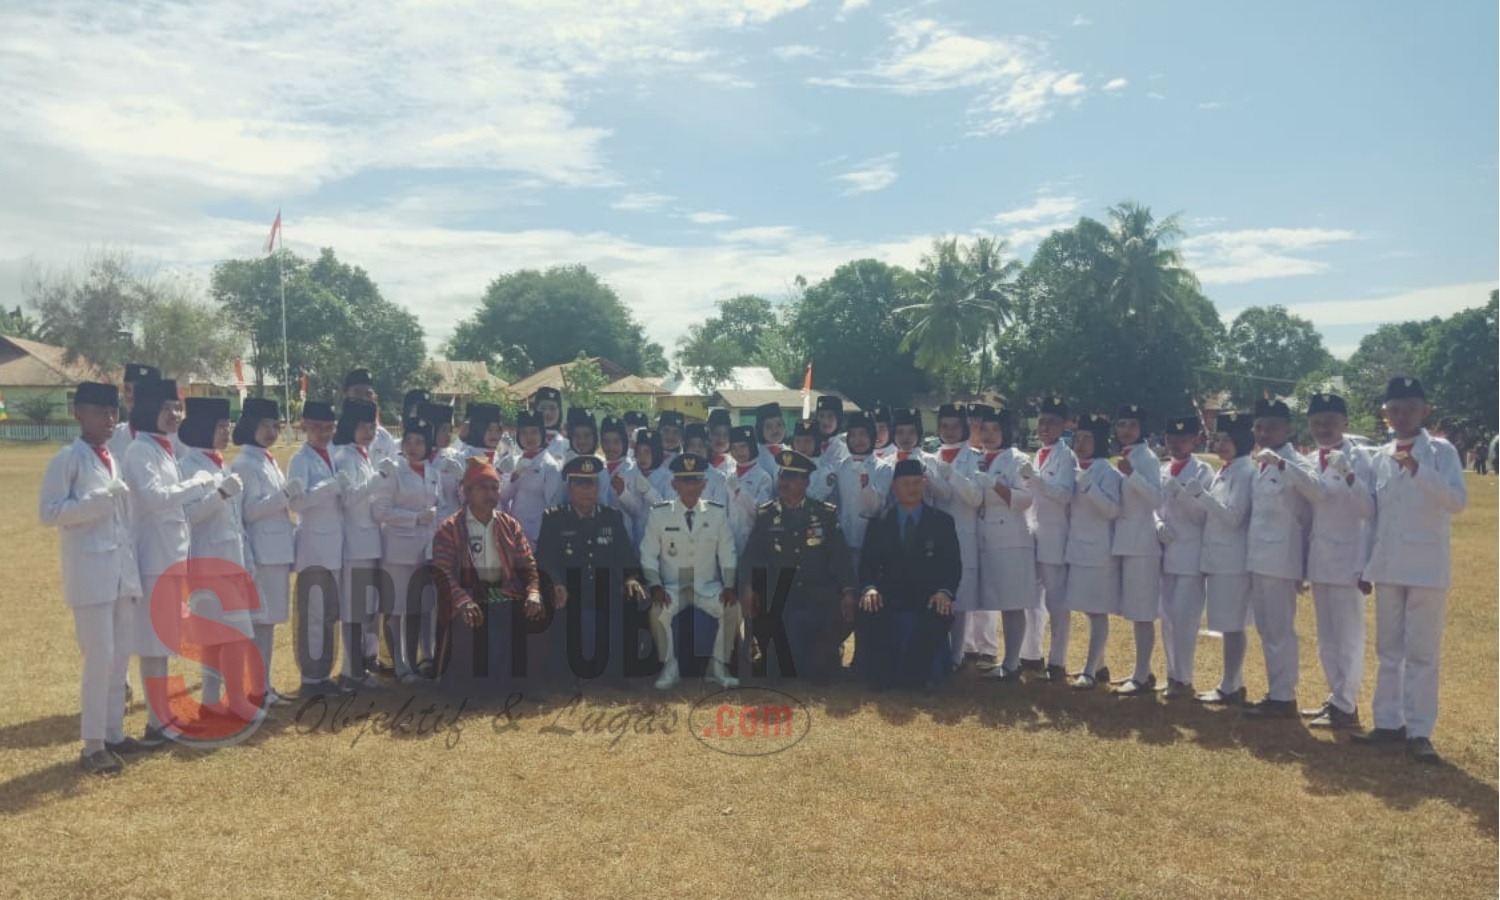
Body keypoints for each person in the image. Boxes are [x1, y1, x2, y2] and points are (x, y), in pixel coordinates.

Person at [1353, 377, 1467, 763]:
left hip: (1426, 567)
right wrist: (1364, 565)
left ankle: (1419, 730)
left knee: (1422, 653)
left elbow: (1456, 500)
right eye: (1394, 409)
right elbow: (1375, 516)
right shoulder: (1379, 455)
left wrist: (1420, 470)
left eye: (1409, 408)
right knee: (1388, 650)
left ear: (1425, 411)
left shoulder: (1441, 451)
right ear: (1386, 414)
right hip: (1387, 565)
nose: (1401, 416)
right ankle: (1388, 723)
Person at [39, 381, 142, 774]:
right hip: (90, 574)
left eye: (113, 412)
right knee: (99, 659)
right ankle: (92, 744)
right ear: (78, 412)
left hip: (118, 571)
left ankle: (114, 733)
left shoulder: (110, 458)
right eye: (101, 413)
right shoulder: (68, 459)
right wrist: (97, 502)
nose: (110, 419)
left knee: (118, 658)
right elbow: (48, 513)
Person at [121, 377, 220, 746]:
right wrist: (200, 484)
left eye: (177, 408)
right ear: (148, 410)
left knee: (163, 642)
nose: (175, 415)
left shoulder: (164, 448)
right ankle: (157, 722)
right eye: (167, 409)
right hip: (151, 558)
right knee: (152, 644)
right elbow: (154, 498)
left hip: (170, 556)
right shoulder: (139, 451)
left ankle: (162, 719)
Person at [1279, 393, 1374, 728]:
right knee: (1327, 638)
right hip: (1321, 557)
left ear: (1345, 422)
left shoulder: (1359, 457)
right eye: (1317, 422)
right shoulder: (1310, 458)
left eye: (1330, 421)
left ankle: (1346, 706)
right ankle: (1336, 699)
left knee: (1348, 637)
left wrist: (1347, 474)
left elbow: (1368, 509)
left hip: (1349, 558)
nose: (1323, 428)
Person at [431, 457, 546, 698]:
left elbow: (528, 565)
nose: (491, 493)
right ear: (467, 491)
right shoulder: (449, 528)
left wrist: (534, 592)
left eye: (495, 487)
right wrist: (463, 600)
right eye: (483, 487)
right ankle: (467, 686)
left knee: (534, 613)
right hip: (469, 597)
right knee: (470, 619)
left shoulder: (509, 525)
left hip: (505, 594)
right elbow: (441, 573)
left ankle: (523, 685)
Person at [176, 397, 259, 723]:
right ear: (203, 428)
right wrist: (220, 494)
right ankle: (236, 699)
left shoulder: (217, 463)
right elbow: (188, 517)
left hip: (229, 559)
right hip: (208, 561)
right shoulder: (189, 467)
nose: (227, 431)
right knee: (236, 635)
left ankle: (211, 700)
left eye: (227, 425)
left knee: (216, 636)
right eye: (221, 426)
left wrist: (245, 557)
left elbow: (235, 520)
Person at [740, 450, 856, 682]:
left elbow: (841, 557)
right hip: (782, 601)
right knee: (777, 671)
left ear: (806, 481)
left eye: (793, 478)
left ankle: (824, 653)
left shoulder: (824, 515)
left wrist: (848, 591)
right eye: (783, 477)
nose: (785, 483)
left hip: (817, 599)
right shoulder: (766, 515)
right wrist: (748, 587)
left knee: (819, 673)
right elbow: (751, 556)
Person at [535, 456, 649, 686]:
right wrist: (556, 583)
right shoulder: (555, 518)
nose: (588, 490)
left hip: (605, 587)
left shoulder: (612, 518)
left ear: (599, 487)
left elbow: (626, 557)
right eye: (581, 484)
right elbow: (544, 559)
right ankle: (562, 674)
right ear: (570, 487)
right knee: (555, 608)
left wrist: (630, 578)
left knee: (632, 600)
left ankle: (622, 672)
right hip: (569, 588)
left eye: (592, 484)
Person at [856, 458, 962, 693]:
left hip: (928, 597)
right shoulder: (880, 523)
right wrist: (870, 588)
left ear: (924, 484)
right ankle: (882, 675)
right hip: (890, 595)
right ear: (895, 486)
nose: (912, 489)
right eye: (906, 483)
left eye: (917, 483)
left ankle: (916, 676)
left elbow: (953, 565)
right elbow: (867, 566)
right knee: (867, 608)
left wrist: (944, 592)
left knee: (939, 613)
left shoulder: (942, 522)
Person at [1241, 397, 1315, 718]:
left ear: (1288, 428)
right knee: (1267, 629)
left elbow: (1312, 501)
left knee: (1280, 629)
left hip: (1282, 558)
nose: (1263, 432)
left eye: (1271, 427)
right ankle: (1276, 691)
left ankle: (1284, 696)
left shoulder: (1296, 463)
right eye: (1258, 426)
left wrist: (1305, 566)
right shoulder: (1259, 462)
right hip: (1259, 556)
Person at [640, 453, 740, 690]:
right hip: (673, 587)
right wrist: (655, 585)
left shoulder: (716, 514)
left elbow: (728, 553)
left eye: (696, 480)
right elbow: (648, 555)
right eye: (685, 481)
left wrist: (728, 585)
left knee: (733, 608)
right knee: (657, 610)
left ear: (704, 483)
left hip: (707, 587)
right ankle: (669, 667)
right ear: (675, 485)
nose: (691, 487)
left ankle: (717, 667)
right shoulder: (659, 514)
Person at [229, 396, 297, 707]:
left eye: (275, 425)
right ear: (249, 426)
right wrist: (284, 495)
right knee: (259, 624)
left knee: (267, 624)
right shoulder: (244, 462)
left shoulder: (266, 459)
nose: (271, 431)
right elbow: (249, 512)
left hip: (277, 549)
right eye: (264, 425)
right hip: (261, 550)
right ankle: (256, 688)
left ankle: (264, 685)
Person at [967, 405, 1038, 682]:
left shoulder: (1017, 458)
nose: (989, 435)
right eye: (984, 429)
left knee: (1012, 603)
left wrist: (996, 485)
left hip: (1011, 539)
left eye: (995, 429)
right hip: (986, 537)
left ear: (1006, 431)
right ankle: (999, 657)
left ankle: (1012, 663)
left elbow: (1025, 500)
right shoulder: (978, 458)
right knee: (997, 599)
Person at [1190, 412, 1256, 705]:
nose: (1221, 444)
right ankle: (1231, 682)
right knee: (1228, 623)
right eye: (1219, 439)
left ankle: (1231, 684)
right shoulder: (1227, 469)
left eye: (1228, 440)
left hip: (1233, 560)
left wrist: (1201, 496)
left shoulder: (1245, 471)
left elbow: (1233, 517)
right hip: (1219, 558)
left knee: (1232, 624)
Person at [373, 414, 441, 684]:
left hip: (425, 551)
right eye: (409, 440)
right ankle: (399, 665)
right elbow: (381, 510)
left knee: (418, 608)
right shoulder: (394, 471)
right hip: (398, 550)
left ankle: (414, 661)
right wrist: (414, 518)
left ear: (429, 445)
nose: (413, 447)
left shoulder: (433, 472)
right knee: (396, 608)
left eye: (419, 442)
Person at [287, 401, 345, 694]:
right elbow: (296, 503)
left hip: (335, 544)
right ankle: (311, 677)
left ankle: (324, 672)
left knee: (329, 613)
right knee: (313, 613)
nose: (323, 433)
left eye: (328, 427)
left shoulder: (335, 453)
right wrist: (328, 488)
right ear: (304, 426)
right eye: (317, 427)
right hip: (312, 545)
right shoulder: (301, 459)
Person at [1155, 415, 1215, 699]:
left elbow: (1203, 513)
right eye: (1171, 438)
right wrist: (1156, 524)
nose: (1176, 443)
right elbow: (1153, 506)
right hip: (1164, 550)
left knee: (1186, 619)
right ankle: (1172, 674)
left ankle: (1185, 678)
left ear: (1195, 440)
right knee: (1166, 617)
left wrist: (1180, 492)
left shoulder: (1203, 471)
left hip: (1190, 550)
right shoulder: (1162, 469)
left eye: (1183, 438)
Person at [332, 398, 387, 689]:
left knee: (366, 608)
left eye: (372, 425)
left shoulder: (363, 455)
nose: (369, 431)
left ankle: (360, 665)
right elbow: (349, 497)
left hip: (369, 541)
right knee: (353, 611)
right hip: (354, 544)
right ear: (350, 427)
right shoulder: (344, 457)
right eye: (363, 426)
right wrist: (379, 479)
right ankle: (350, 671)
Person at [1111, 404, 1164, 697]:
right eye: (1122, 425)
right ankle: (1141, 671)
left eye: (1132, 424)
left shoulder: (1147, 458)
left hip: (1142, 543)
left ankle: (1142, 675)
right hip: (1126, 540)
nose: (1126, 430)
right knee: (1133, 609)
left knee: (1143, 611)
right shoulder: (1127, 456)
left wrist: (1131, 474)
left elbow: (1156, 498)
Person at [928, 403, 986, 670]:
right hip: (937, 537)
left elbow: (975, 498)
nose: (949, 432)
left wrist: (952, 474)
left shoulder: (975, 458)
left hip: (964, 534)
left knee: (960, 600)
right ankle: (939, 650)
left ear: (964, 428)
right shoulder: (930, 457)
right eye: (944, 426)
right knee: (938, 593)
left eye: (955, 426)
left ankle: (958, 654)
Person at [1023, 396, 1076, 683]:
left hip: (1055, 535)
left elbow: (1065, 494)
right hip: (1033, 532)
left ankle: (1057, 661)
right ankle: (1031, 654)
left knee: (1057, 602)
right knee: (1031, 599)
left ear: (1064, 426)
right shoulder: (1038, 453)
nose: (1045, 427)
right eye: (1042, 421)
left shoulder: (1066, 456)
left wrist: (1037, 481)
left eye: (1052, 422)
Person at [1065, 415, 1119, 690]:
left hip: (1099, 550)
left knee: (1097, 612)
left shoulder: (1106, 472)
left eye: (1087, 439)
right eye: (1078, 438)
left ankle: (1088, 670)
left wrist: (1088, 487)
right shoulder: (1073, 466)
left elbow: (1111, 510)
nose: (1081, 444)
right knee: (1086, 609)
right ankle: (1099, 666)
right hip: (1077, 548)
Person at [826, 413, 889, 578]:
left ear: (872, 436)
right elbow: (834, 503)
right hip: (843, 540)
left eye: (863, 434)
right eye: (853, 435)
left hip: (870, 541)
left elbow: (877, 507)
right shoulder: (840, 467)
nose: (857, 440)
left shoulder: (884, 468)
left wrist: (866, 485)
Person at [500, 410, 565, 544]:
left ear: (542, 434)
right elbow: (503, 498)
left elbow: (554, 505)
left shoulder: (550, 465)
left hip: (539, 536)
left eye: (534, 432)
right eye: (524, 432)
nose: (529, 437)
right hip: (515, 533)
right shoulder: (514, 461)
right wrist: (513, 478)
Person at [724, 425, 775, 557]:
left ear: (751, 447)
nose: (738, 452)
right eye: (734, 448)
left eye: (742, 447)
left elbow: (763, 511)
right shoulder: (730, 477)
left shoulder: (763, 477)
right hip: (730, 538)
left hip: (754, 538)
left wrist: (739, 492)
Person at [343, 368, 399, 465]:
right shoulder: (331, 440)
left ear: (375, 399)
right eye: (357, 393)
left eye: (368, 394)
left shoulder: (384, 438)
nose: (363, 399)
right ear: (345, 396)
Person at [108, 362, 161, 462]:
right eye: (127, 389)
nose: (131, 396)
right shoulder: (113, 437)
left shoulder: (172, 437)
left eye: (139, 390)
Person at [753, 402, 789, 479]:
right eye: (769, 426)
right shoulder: (753, 455)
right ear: (760, 430)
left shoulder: (790, 452)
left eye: (779, 424)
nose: (775, 430)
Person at [532, 387, 569, 459]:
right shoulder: (525, 441)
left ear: (560, 412)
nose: (547, 413)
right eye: (543, 408)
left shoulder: (567, 446)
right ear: (536, 410)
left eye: (552, 408)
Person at [813, 395, 849, 464]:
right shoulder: (809, 445)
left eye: (830, 416)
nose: (825, 421)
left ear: (838, 419)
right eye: (821, 416)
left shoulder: (846, 447)